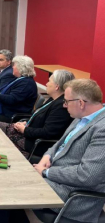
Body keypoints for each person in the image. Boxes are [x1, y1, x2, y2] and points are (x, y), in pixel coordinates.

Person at [33, 79, 105, 223]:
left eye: (66, 101)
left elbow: (87, 176)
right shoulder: (81, 116)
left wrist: (45, 172)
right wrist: (47, 156)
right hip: (57, 175)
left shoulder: (101, 129)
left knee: (15, 188)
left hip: (74, 194)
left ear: (81, 103)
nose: (64, 105)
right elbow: (60, 143)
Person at [0, 69, 75, 158]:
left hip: (36, 143)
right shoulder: (53, 99)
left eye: (49, 81)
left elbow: (48, 132)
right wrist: (26, 123)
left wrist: (25, 130)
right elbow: (38, 116)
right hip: (31, 133)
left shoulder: (61, 106)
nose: (46, 84)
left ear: (56, 87)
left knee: (1, 135)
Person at [0, 55, 38, 122]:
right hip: (4, 109)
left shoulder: (26, 83)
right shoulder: (20, 79)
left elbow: (11, 99)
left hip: (11, 114)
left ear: (20, 68)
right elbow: (8, 91)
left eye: (14, 65)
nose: (12, 67)